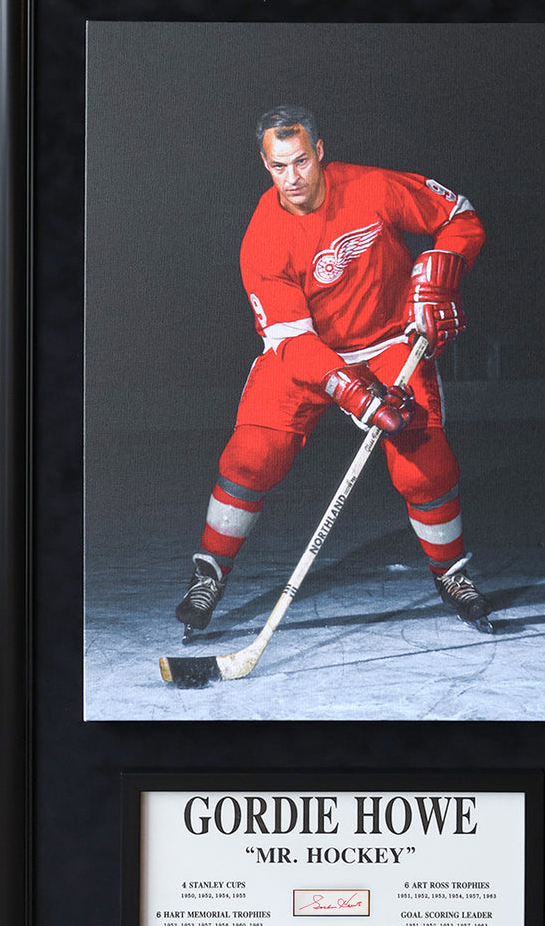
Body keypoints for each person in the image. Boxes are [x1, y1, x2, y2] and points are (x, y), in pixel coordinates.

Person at [175, 104, 492, 639]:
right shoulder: (263, 236)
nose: (292, 178)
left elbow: (459, 215)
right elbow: (291, 341)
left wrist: (445, 269)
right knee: (252, 455)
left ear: (319, 151)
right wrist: (356, 394)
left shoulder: (372, 186)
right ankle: (209, 572)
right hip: (308, 353)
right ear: (264, 164)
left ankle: (451, 573)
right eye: (279, 166)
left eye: (301, 161)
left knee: (424, 466)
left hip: (389, 343)